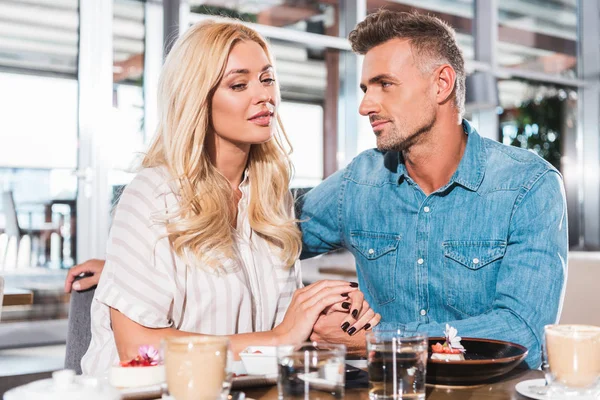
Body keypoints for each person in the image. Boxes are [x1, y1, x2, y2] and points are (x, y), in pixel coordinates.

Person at [80, 20, 379, 376]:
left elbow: (275, 327)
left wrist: (327, 310)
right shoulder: (153, 194)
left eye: (267, 79)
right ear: (197, 100)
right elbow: (136, 348)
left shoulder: (269, 198)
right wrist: (280, 338)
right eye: (239, 84)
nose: (264, 95)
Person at [301, 10, 567, 368]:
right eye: (366, 89)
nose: (366, 105)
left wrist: (376, 341)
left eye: (385, 84)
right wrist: (312, 308)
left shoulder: (528, 185)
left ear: (442, 83)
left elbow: (522, 334)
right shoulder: (357, 182)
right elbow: (267, 238)